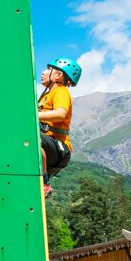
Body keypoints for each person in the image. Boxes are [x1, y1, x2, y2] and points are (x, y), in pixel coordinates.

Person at [37, 57, 82, 196]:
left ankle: (44, 183)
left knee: (31, 139)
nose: (43, 72)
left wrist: (31, 116)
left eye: (49, 69)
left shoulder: (61, 91)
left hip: (59, 147)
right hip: (49, 144)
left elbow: (60, 114)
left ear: (58, 75)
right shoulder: (46, 95)